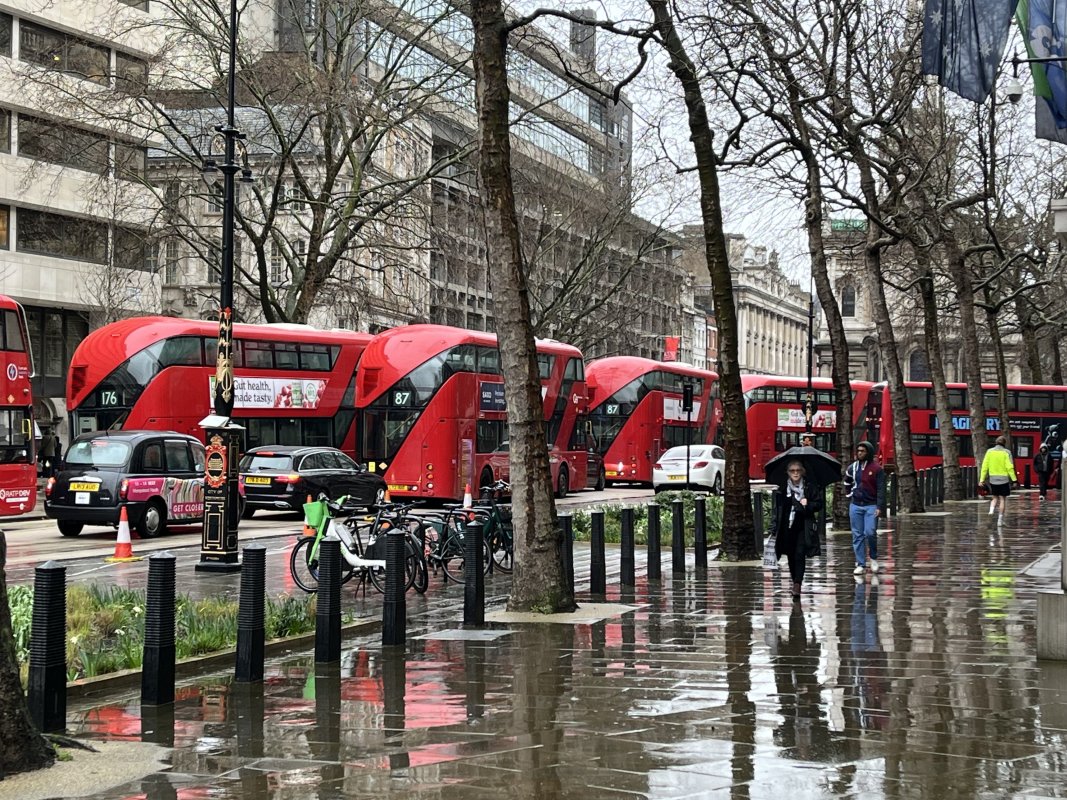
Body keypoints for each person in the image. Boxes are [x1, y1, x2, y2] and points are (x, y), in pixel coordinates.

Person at [773, 459, 823, 601]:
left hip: (803, 526)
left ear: (802, 472)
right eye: (792, 471)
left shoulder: (809, 487)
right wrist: (774, 526)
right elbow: (777, 509)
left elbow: (819, 504)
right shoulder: (782, 489)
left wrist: (808, 504)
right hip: (786, 527)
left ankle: (797, 584)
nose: (795, 473)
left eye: (798, 470)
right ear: (788, 473)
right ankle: (794, 578)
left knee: (799, 554)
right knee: (790, 555)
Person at [843, 441, 886, 576]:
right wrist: (850, 495)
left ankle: (873, 557)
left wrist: (879, 506)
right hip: (855, 505)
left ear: (869, 453)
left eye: (863, 451)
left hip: (871, 505)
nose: (860, 453)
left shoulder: (877, 469)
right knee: (857, 535)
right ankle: (860, 563)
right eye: (859, 451)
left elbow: (881, 489)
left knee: (870, 532)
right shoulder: (852, 468)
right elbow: (847, 481)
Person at [979, 435, 1017, 524]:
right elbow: (1010, 467)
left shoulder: (989, 452)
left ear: (996, 442)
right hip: (1004, 479)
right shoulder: (1007, 452)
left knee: (994, 497)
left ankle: (991, 510)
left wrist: (981, 480)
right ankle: (1000, 520)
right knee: (1002, 499)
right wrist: (1014, 480)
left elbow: (984, 467)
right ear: (1004, 443)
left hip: (993, 479)